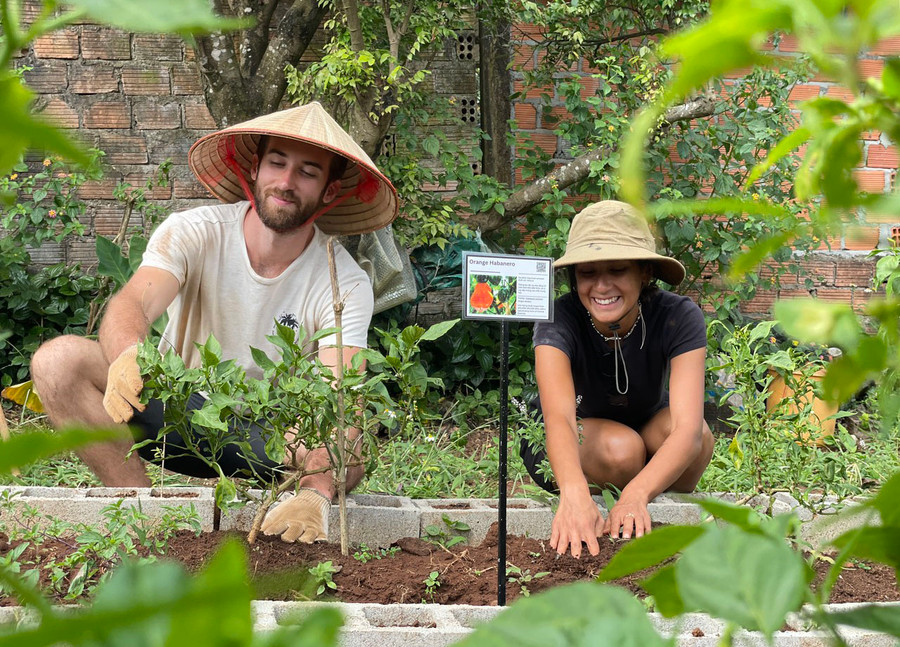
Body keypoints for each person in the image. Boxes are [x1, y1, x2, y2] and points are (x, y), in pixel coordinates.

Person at [30, 102, 398, 544]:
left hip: (275, 435)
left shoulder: (343, 281)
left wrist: (318, 489)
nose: (285, 182)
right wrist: (129, 352)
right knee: (58, 360)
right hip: (176, 415)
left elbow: (342, 389)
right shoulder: (194, 231)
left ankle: (302, 503)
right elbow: (135, 302)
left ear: (329, 190)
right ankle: (140, 518)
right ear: (255, 169)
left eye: (307, 172)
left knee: (353, 435)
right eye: (277, 163)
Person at [521, 200, 714, 558]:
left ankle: (638, 494)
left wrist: (636, 495)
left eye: (617, 270)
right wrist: (573, 492)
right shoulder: (559, 319)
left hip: (643, 427)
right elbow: (559, 418)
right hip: (575, 440)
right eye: (587, 272)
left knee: (699, 438)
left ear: (644, 273)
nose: (602, 285)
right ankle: (616, 496)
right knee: (623, 450)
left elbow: (687, 429)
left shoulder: (678, 315)